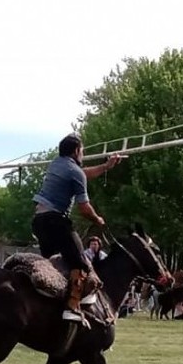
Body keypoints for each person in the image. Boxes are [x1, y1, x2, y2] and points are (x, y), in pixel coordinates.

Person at [31, 134, 124, 328]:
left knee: (55, 263)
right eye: (82, 150)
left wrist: (107, 166)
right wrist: (97, 219)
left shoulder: (56, 164)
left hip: (39, 221)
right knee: (81, 263)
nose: (83, 153)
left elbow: (83, 173)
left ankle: (49, 306)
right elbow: (84, 207)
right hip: (56, 221)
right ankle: (72, 307)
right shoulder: (75, 172)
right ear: (76, 151)